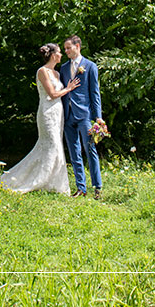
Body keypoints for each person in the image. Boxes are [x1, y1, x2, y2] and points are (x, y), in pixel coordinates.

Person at [0, 43, 80, 193]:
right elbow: (52, 94)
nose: (61, 55)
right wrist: (68, 89)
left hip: (58, 113)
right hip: (47, 113)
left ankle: (53, 183)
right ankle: (38, 181)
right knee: (52, 145)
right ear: (52, 55)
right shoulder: (42, 71)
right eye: (59, 52)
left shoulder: (57, 74)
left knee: (56, 146)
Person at [58, 35, 104, 199]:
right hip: (68, 115)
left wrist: (98, 117)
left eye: (68, 48)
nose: (66, 51)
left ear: (77, 46)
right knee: (74, 152)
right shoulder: (63, 68)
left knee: (90, 150)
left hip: (85, 115)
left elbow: (94, 93)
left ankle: (97, 187)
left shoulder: (90, 66)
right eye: (64, 48)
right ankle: (81, 188)